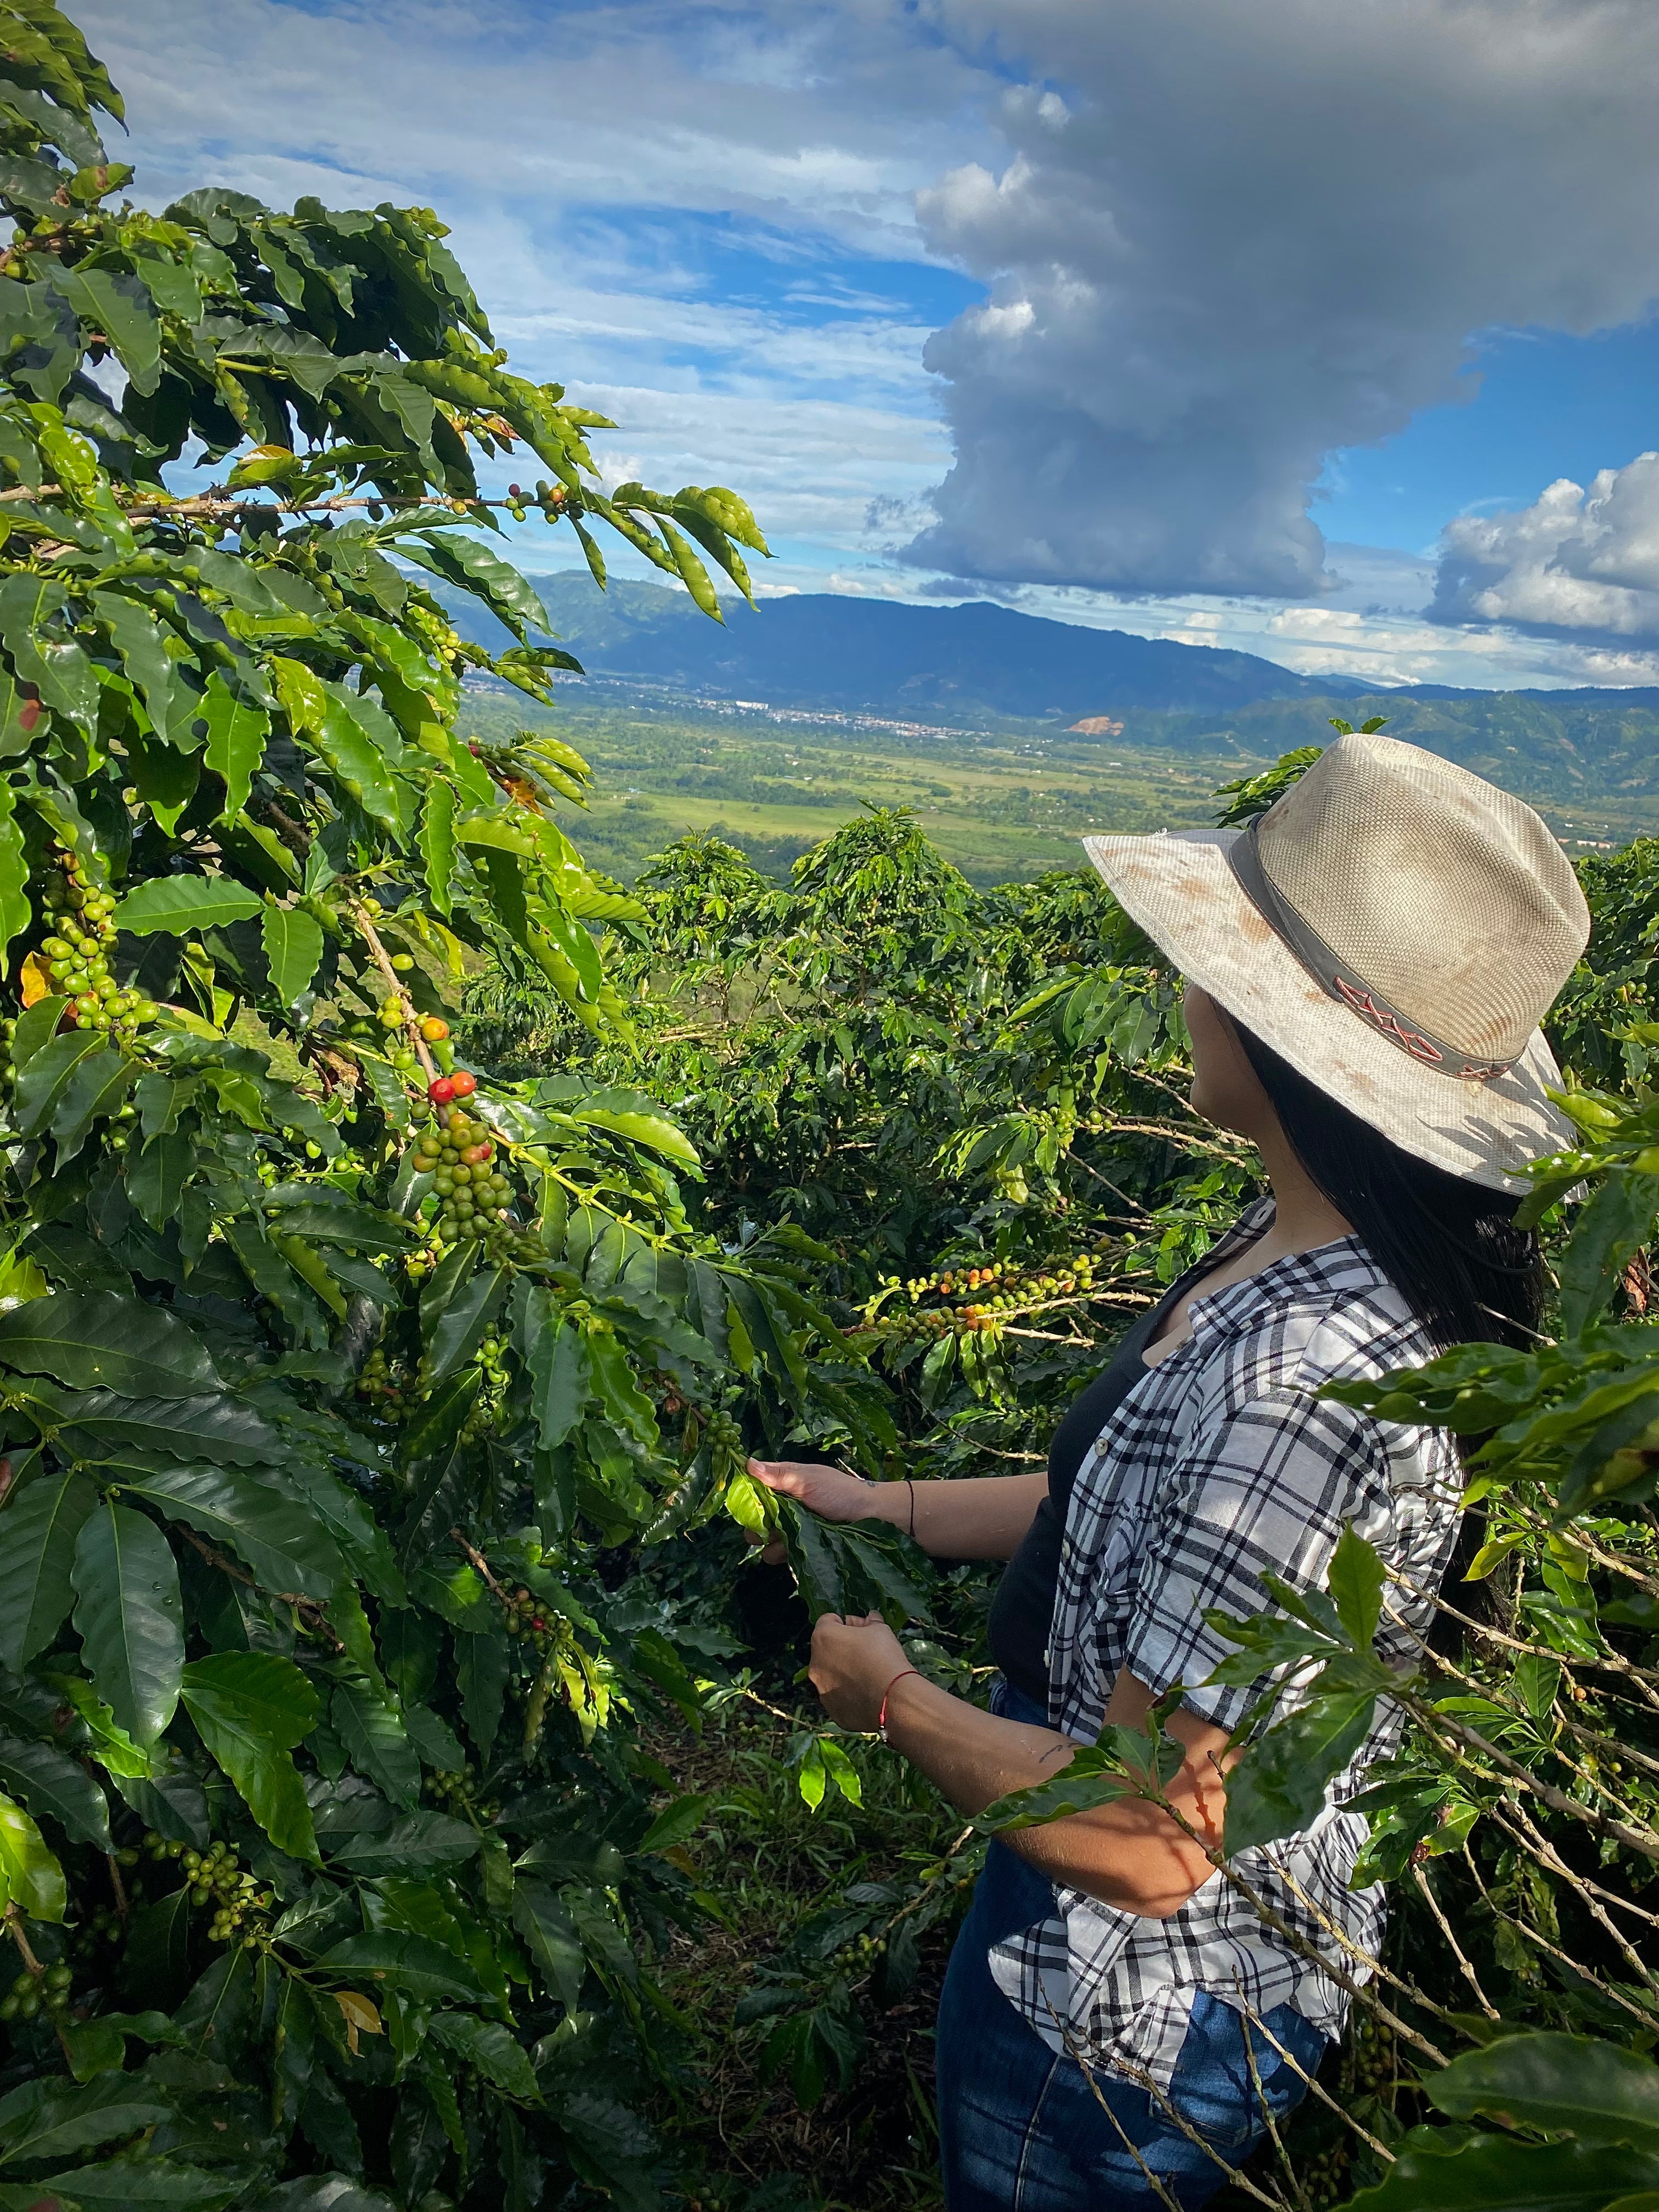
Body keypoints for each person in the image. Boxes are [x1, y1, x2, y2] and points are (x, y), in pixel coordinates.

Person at [750, 732, 1590, 2211]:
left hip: (1124, 2009)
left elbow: (1146, 1841)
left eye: (1218, 965)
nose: (1184, 983)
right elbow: (1138, 1515)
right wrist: (880, 1507)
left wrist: (890, 1699)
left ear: (1285, 1047)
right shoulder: (1304, 1238)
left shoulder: (1301, 1388)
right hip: (1126, 1941)